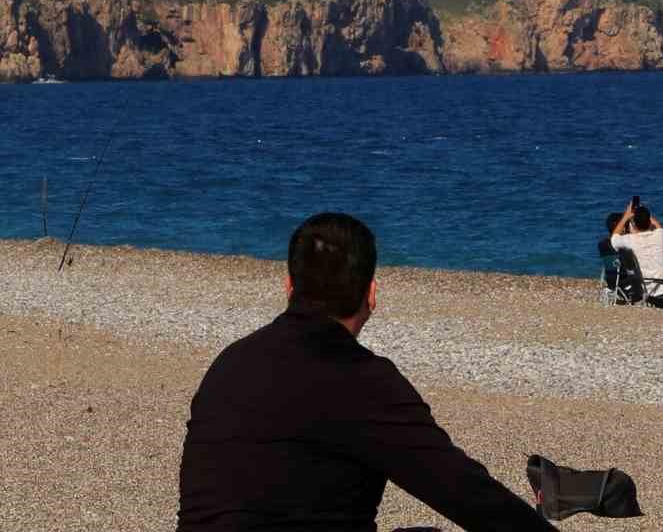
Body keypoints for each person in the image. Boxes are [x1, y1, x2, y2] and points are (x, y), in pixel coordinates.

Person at [177, 211, 548, 530]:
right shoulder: (360, 378)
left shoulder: (231, 363)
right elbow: (464, 492)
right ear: (371, 294)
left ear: (289, 286)